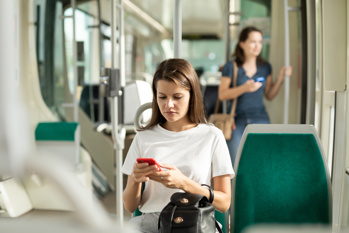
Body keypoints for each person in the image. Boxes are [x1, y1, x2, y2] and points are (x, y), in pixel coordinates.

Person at [122, 58, 234, 233]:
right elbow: (130, 206)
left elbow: (224, 203)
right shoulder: (144, 137)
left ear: (191, 96)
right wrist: (136, 180)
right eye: (162, 97)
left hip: (195, 219)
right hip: (153, 222)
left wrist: (185, 184)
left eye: (177, 97)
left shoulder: (212, 136)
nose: (168, 105)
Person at [218, 26, 292, 167]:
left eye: (260, 42)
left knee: (261, 162)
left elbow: (269, 95)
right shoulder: (231, 67)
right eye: (253, 41)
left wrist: (280, 79)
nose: (257, 46)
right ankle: (235, 190)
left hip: (261, 119)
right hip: (236, 121)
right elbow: (222, 95)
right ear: (242, 44)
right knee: (235, 163)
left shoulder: (265, 67)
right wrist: (244, 88)